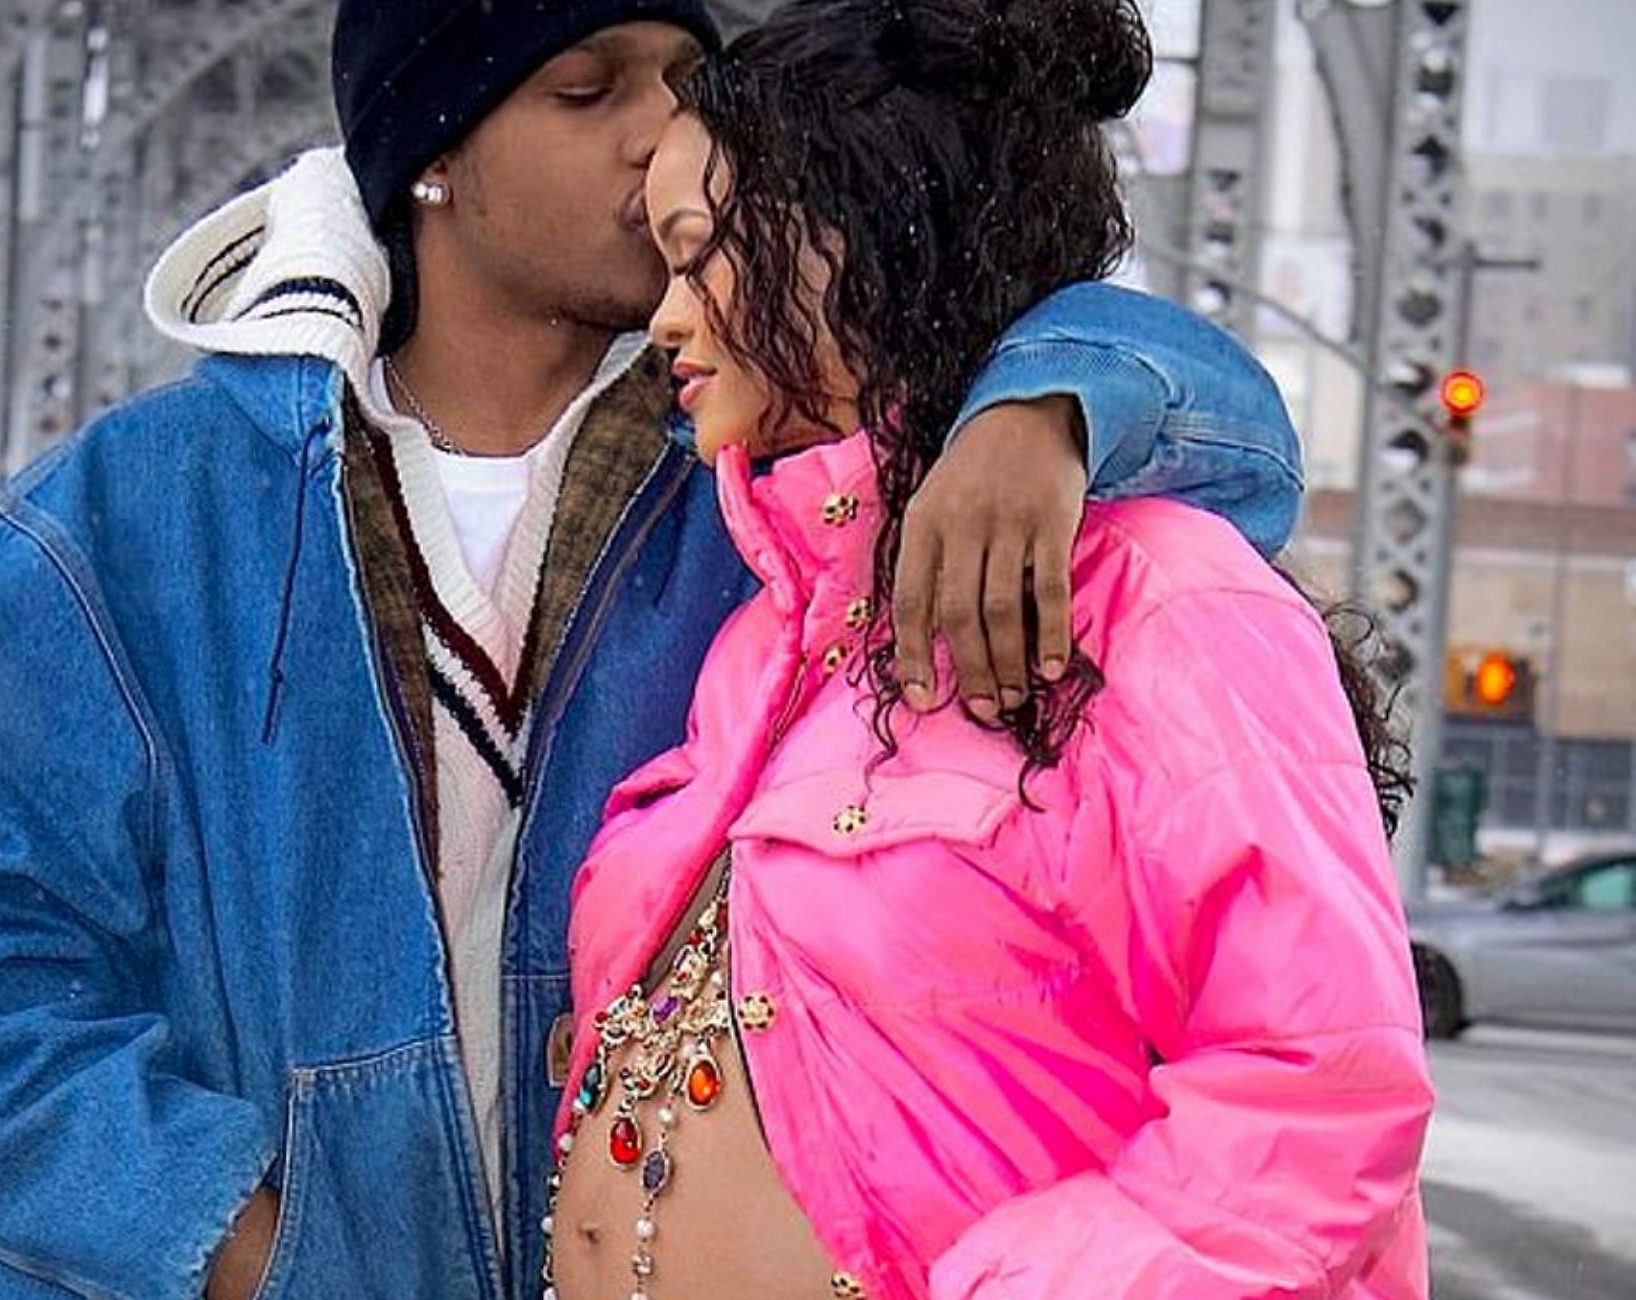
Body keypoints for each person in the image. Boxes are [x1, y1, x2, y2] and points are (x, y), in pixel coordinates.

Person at [0, 3, 1309, 1299]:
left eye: (682, 77)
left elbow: (1218, 429)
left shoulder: (777, 485)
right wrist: (243, 1246)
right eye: (586, 89)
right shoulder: (122, 527)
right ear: (431, 154)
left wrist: (1045, 406)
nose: (660, 131)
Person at [548, 3, 1432, 1299]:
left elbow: (1316, 1087)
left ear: (849, 235)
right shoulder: (772, 645)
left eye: (698, 256)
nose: (668, 321)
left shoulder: (1162, 603)